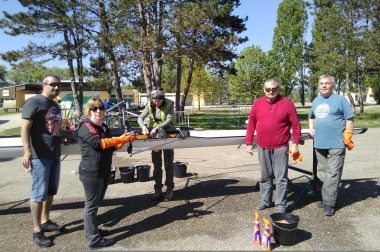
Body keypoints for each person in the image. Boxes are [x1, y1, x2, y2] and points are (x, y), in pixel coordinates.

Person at [77, 97, 136, 249]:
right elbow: (98, 144)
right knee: (91, 205)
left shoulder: (103, 127)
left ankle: (92, 231)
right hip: (90, 172)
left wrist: (125, 139)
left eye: (100, 108)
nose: (98, 112)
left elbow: (111, 147)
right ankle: (93, 239)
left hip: (103, 170)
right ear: (88, 111)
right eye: (94, 109)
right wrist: (119, 138)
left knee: (96, 204)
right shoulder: (85, 126)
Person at [21, 74, 65, 248]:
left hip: (55, 154)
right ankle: (37, 229)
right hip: (40, 156)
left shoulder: (55, 105)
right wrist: (26, 152)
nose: (56, 88)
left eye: (59, 85)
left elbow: (54, 130)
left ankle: (46, 220)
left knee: (51, 191)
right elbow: (24, 128)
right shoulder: (34, 102)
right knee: (38, 193)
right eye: (53, 84)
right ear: (44, 85)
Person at [246, 78, 302, 213]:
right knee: (265, 176)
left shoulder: (287, 103)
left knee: (281, 178)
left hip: (281, 147)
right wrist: (248, 143)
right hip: (262, 146)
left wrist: (295, 144)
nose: (271, 91)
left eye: (274, 89)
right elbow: (251, 124)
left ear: (278, 89)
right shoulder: (257, 103)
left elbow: (296, 125)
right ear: (264, 89)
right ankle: (265, 201)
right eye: (268, 89)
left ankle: (281, 205)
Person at [309, 74, 355, 216]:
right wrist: (311, 128)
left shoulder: (340, 100)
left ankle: (329, 204)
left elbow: (350, 118)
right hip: (320, 143)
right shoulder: (316, 100)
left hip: (337, 143)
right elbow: (311, 116)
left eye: (327, 83)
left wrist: (348, 135)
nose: (324, 86)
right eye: (321, 83)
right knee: (322, 173)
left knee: (333, 174)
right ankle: (327, 198)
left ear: (332, 85)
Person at [137, 86, 176, 201]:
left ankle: (170, 189)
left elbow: (169, 119)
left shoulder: (169, 103)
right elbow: (140, 117)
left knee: (168, 164)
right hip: (154, 135)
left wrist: (158, 127)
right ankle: (158, 189)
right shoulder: (150, 104)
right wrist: (143, 126)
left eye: (159, 101)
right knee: (157, 164)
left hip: (168, 134)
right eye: (155, 100)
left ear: (163, 99)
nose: (157, 103)